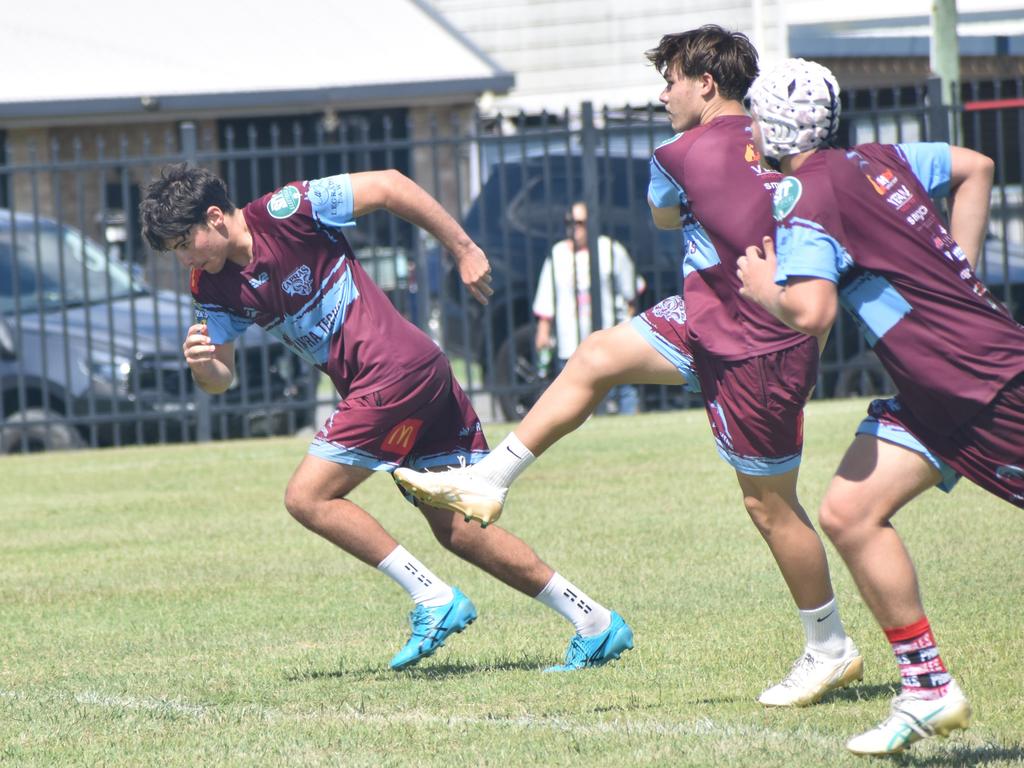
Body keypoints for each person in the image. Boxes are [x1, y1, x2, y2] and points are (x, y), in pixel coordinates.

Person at [396, 25, 863, 707]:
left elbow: (667, 217)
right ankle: (491, 480)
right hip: (710, 319)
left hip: (754, 346)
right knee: (596, 356)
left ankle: (829, 647)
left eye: (670, 79)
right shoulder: (791, 146)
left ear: (706, 83)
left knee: (770, 507)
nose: (662, 93)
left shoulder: (677, 153)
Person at [138, 164, 634, 673]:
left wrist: (462, 248)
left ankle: (432, 598)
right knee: (460, 530)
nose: (182, 259)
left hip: (391, 373)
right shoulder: (212, 285)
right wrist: (203, 364)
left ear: (215, 217)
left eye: (183, 243)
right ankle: (594, 622)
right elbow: (222, 377)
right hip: (418, 375)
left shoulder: (290, 209)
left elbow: (391, 185)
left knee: (307, 497)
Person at [738, 57, 1021, 755]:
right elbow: (977, 165)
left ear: (774, 124)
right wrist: (960, 270)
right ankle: (928, 689)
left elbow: (812, 308)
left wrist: (764, 287)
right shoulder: (878, 158)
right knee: (848, 512)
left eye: (754, 113)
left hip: (982, 385)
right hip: (934, 390)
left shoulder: (802, 194)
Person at [533, 200, 639, 414]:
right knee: (573, 405)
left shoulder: (609, 249)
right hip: (570, 344)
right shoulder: (558, 254)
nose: (574, 227)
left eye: (580, 222)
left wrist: (626, 324)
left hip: (609, 342)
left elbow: (631, 292)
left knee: (622, 393)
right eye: (569, 222)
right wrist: (543, 331)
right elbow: (546, 297)